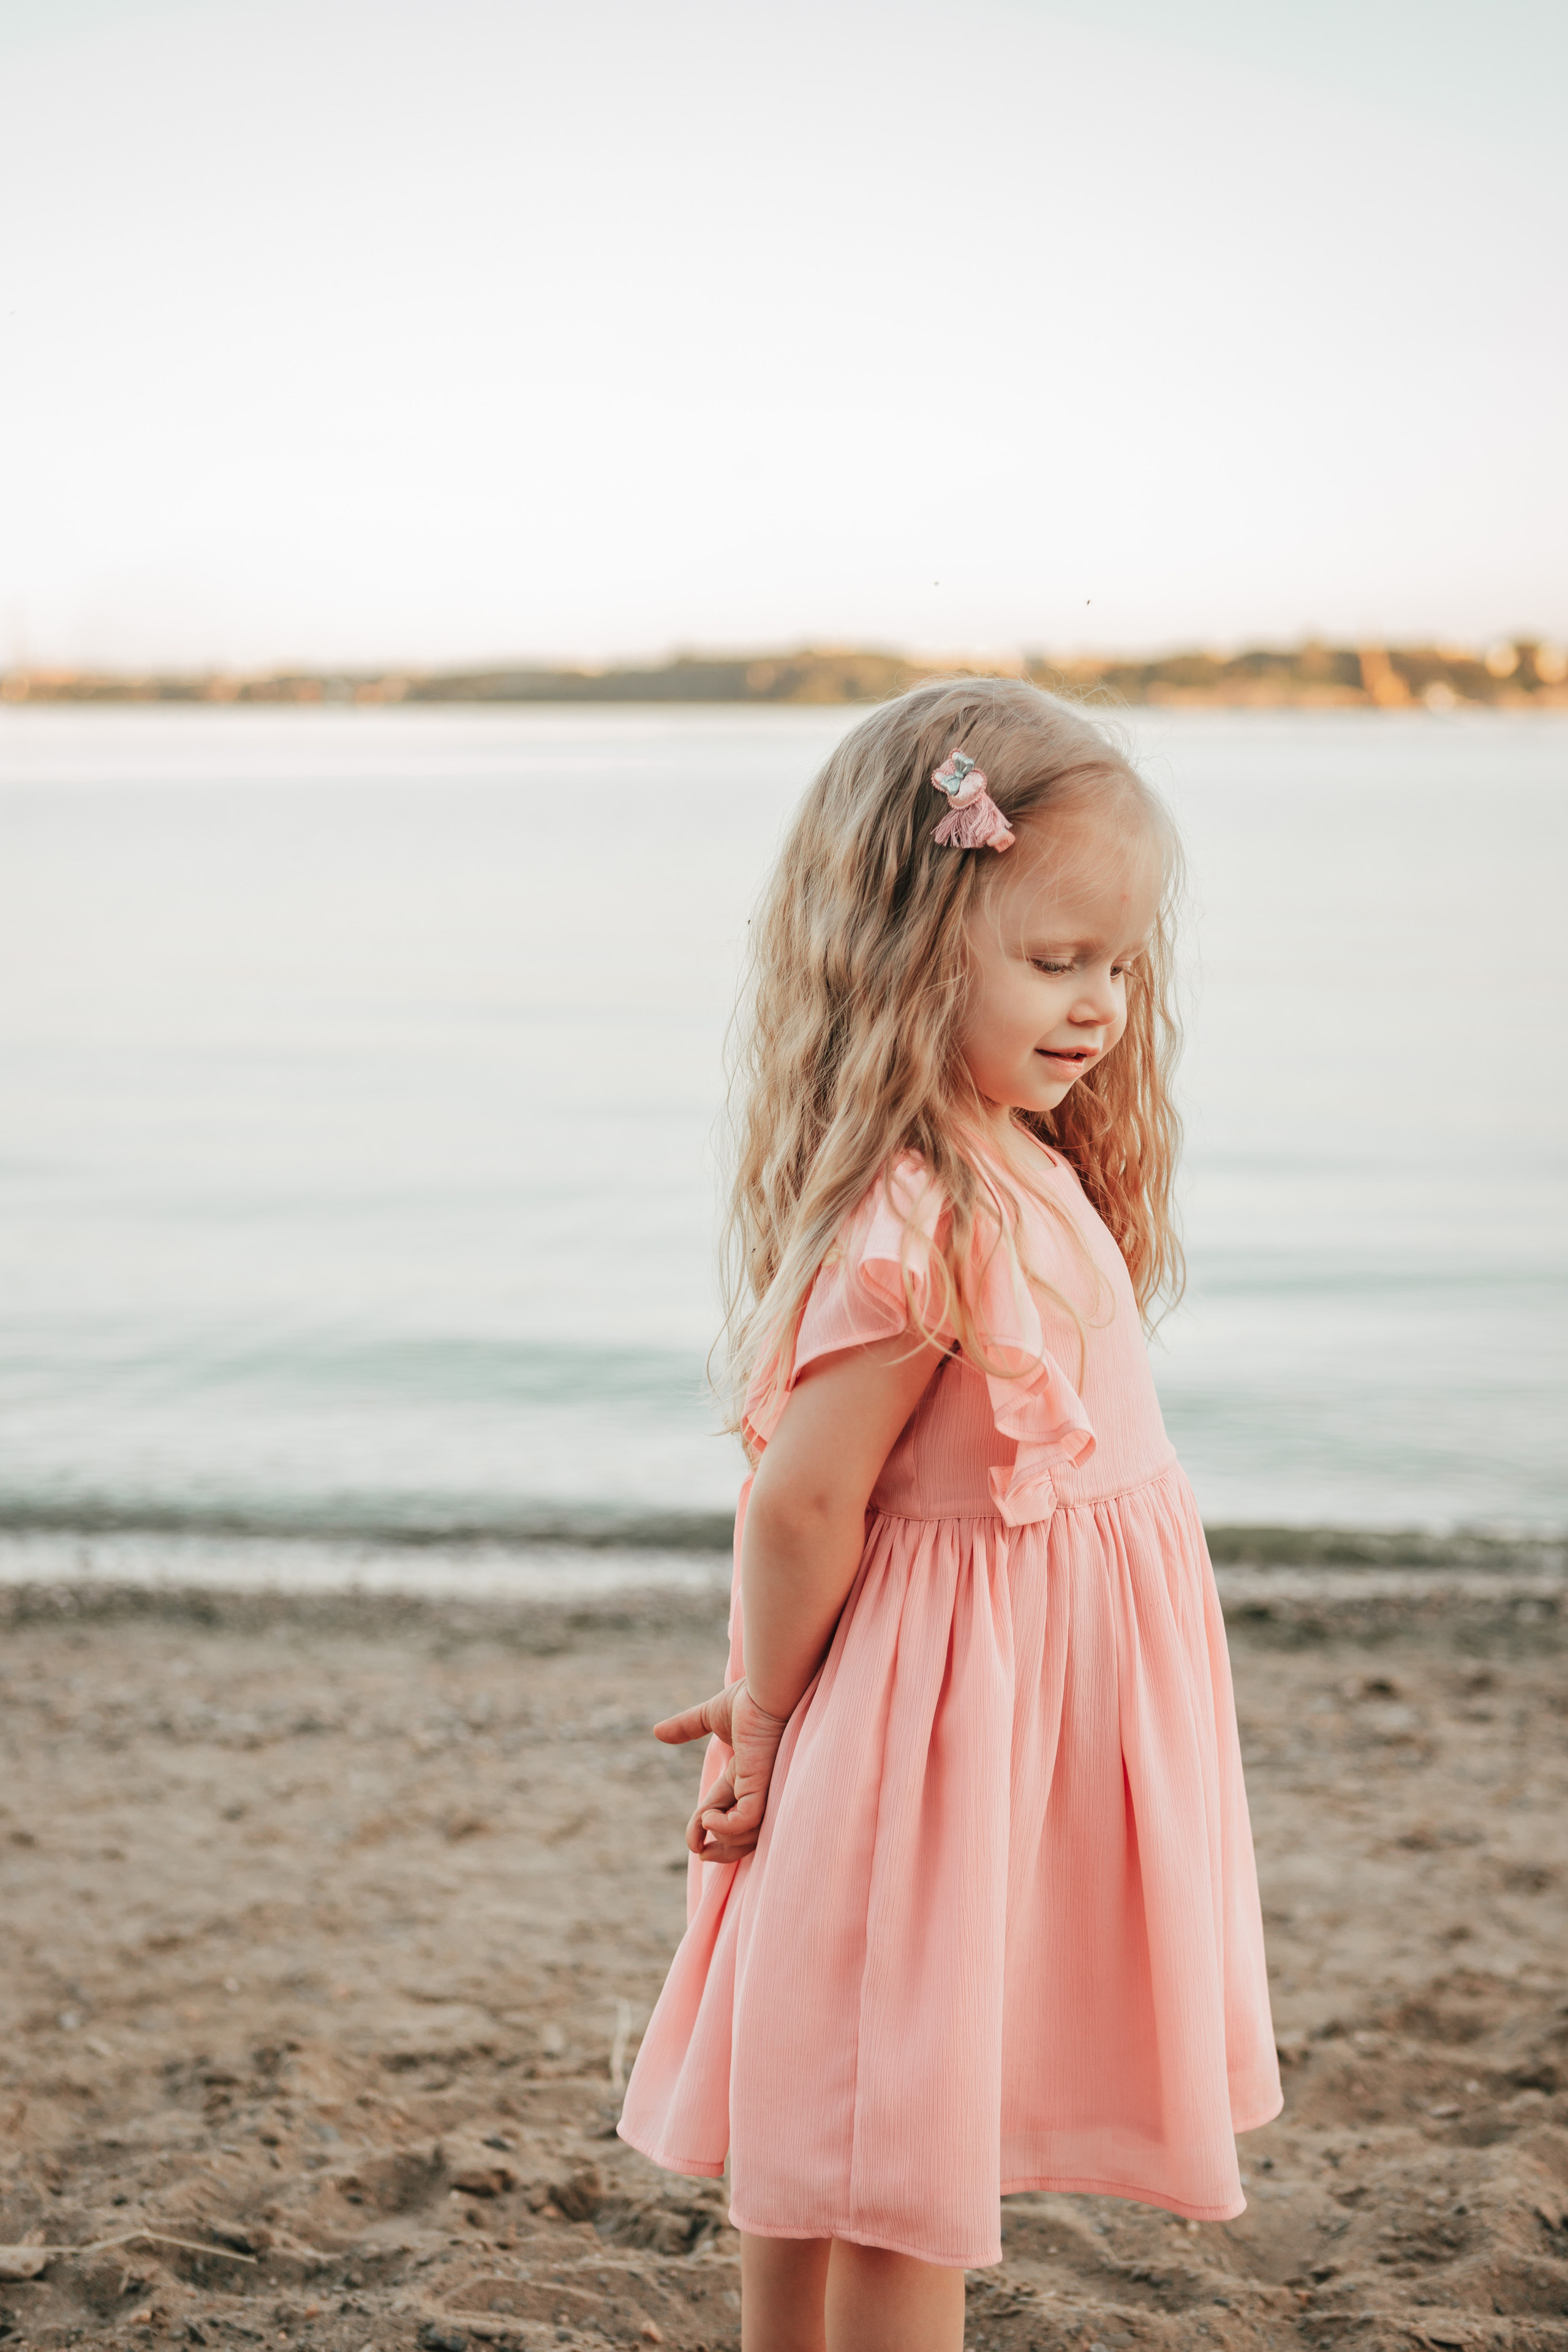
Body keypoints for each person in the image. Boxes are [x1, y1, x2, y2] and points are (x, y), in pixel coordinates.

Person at [617, 678, 1281, 2351]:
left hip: (999, 1733)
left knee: (861, 2120)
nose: (1101, 1007)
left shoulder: (1014, 1160)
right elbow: (804, 1498)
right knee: (888, 2147)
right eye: (1055, 963)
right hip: (916, 1737)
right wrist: (766, 1708)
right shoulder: (921, 1215)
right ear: (913, 955)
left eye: (1120, 964)